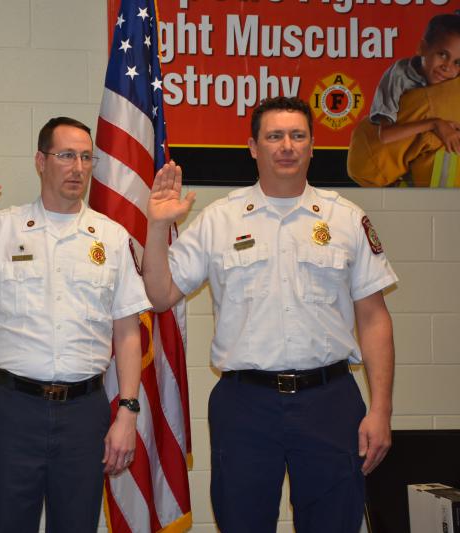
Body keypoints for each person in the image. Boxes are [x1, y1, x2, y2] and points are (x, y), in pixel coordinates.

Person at [143, 97, 397, 532]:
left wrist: (382, 410)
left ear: (313, 146)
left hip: (330, 400)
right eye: (274, 136)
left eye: (298, 136)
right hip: (245, 404)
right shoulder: (220, 220)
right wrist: (156, 226)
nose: (287, 146)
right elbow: (160, 294)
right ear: (253, 147)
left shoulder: (345, 218)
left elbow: (374, 318)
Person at [0, 117, 150, 533]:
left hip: (85, 413)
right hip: (13, 411)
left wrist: (128, 412)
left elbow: (128, 330)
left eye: (86, 157)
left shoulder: (111, 237)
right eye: (66, 156)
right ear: (40, 161)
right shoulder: (4, 229)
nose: (78, 167)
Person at [348, 11, 460, 186]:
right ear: (422, 48)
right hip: (373, 155)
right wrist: (435, 123)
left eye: (457, 62)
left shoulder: (448, 80)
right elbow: (385, 136)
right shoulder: (399, 76)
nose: (447, 67)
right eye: (442, 54)